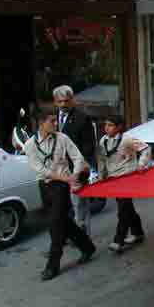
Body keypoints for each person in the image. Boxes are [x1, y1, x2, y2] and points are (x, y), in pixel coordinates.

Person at [24, 109, 96, 281]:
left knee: (55, 224)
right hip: (46, 185)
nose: (56, 124)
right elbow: (39, 169)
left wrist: (74, 176)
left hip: (62, 186)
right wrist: (64, 176)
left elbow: (77, 158)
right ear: (41, 123)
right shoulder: (30, 145)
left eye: (56, 121)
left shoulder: (62, 138)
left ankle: (52, 265)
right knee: (63, 221)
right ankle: (87, 247)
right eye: (52, 121)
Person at [97, 115, 151, 252]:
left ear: (119, 127)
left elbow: (146, 149)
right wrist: (101, 176)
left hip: (127, 177)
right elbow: (103, 160)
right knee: (127, 207)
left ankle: (118, 240)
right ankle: (137, 232)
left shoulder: (127, 139)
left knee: (122, 209)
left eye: (110, 125)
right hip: (113, 178)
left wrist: (141, 164)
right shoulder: (103, 141)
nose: (106, 128)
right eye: (106, 125)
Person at [53, 85, 95, 240]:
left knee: (80, 207)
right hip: (57, 172)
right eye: (60, 101)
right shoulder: (51, 118)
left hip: (75, 170)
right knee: (61, 207)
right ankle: (66, 236)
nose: (63, 105)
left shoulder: (82, 118)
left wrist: (79, 171)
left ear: (71, 100)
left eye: (66, 101)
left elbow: (88, 147)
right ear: (55, 102)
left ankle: (84, 238)